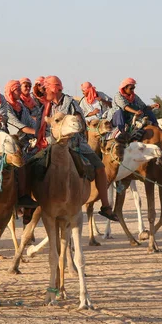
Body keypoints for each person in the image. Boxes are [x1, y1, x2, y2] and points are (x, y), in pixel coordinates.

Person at [36, 75, 118, 221]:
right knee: (32, 166)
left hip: (75, 143)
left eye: (45, 88)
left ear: (53, 89)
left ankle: (106, 206)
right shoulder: (45, 106)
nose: (43, 91)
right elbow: (40, 129)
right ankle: (31, 205)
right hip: (51, 144)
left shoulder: (70, 103)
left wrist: (65, 132)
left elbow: (79, 124)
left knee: (99, 167)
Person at [3, 80, 38, 208]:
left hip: (26, 141)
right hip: (10, 140)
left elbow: (30, 122)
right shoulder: (5, 106)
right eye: (17, 90)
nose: (20, 92)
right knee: (20, 162)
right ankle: (21, 196)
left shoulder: (21, 107)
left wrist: (42, 132)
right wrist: (36, 133)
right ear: (11, 91)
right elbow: (18, 126)